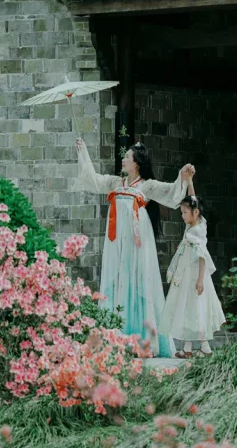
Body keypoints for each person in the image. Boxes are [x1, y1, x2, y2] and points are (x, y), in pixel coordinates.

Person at [75, 135, 194, 356]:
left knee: (140, 278)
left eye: (127, 157)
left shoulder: (147, 185)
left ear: (136, 162)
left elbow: (171, 192)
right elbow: (93, 180)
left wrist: (183, 176)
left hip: (138, 240)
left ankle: (144, 339)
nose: (124, 159)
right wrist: (83, 151)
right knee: (118, 278)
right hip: (116, 241)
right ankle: (115, 338)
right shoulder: (115, 182)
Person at [158, 191, 226, 358]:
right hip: (187, 271)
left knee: (196, 306)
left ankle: (205, 347)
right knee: (188, 307)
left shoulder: (198, 231)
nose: (182, 216)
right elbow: (193, 197)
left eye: (184, 212)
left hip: (194, 273)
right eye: (181, 212)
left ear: (196, 212)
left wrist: (200, 280)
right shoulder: (195, 224)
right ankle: (187, 348)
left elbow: (202, 256)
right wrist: (189, 182)